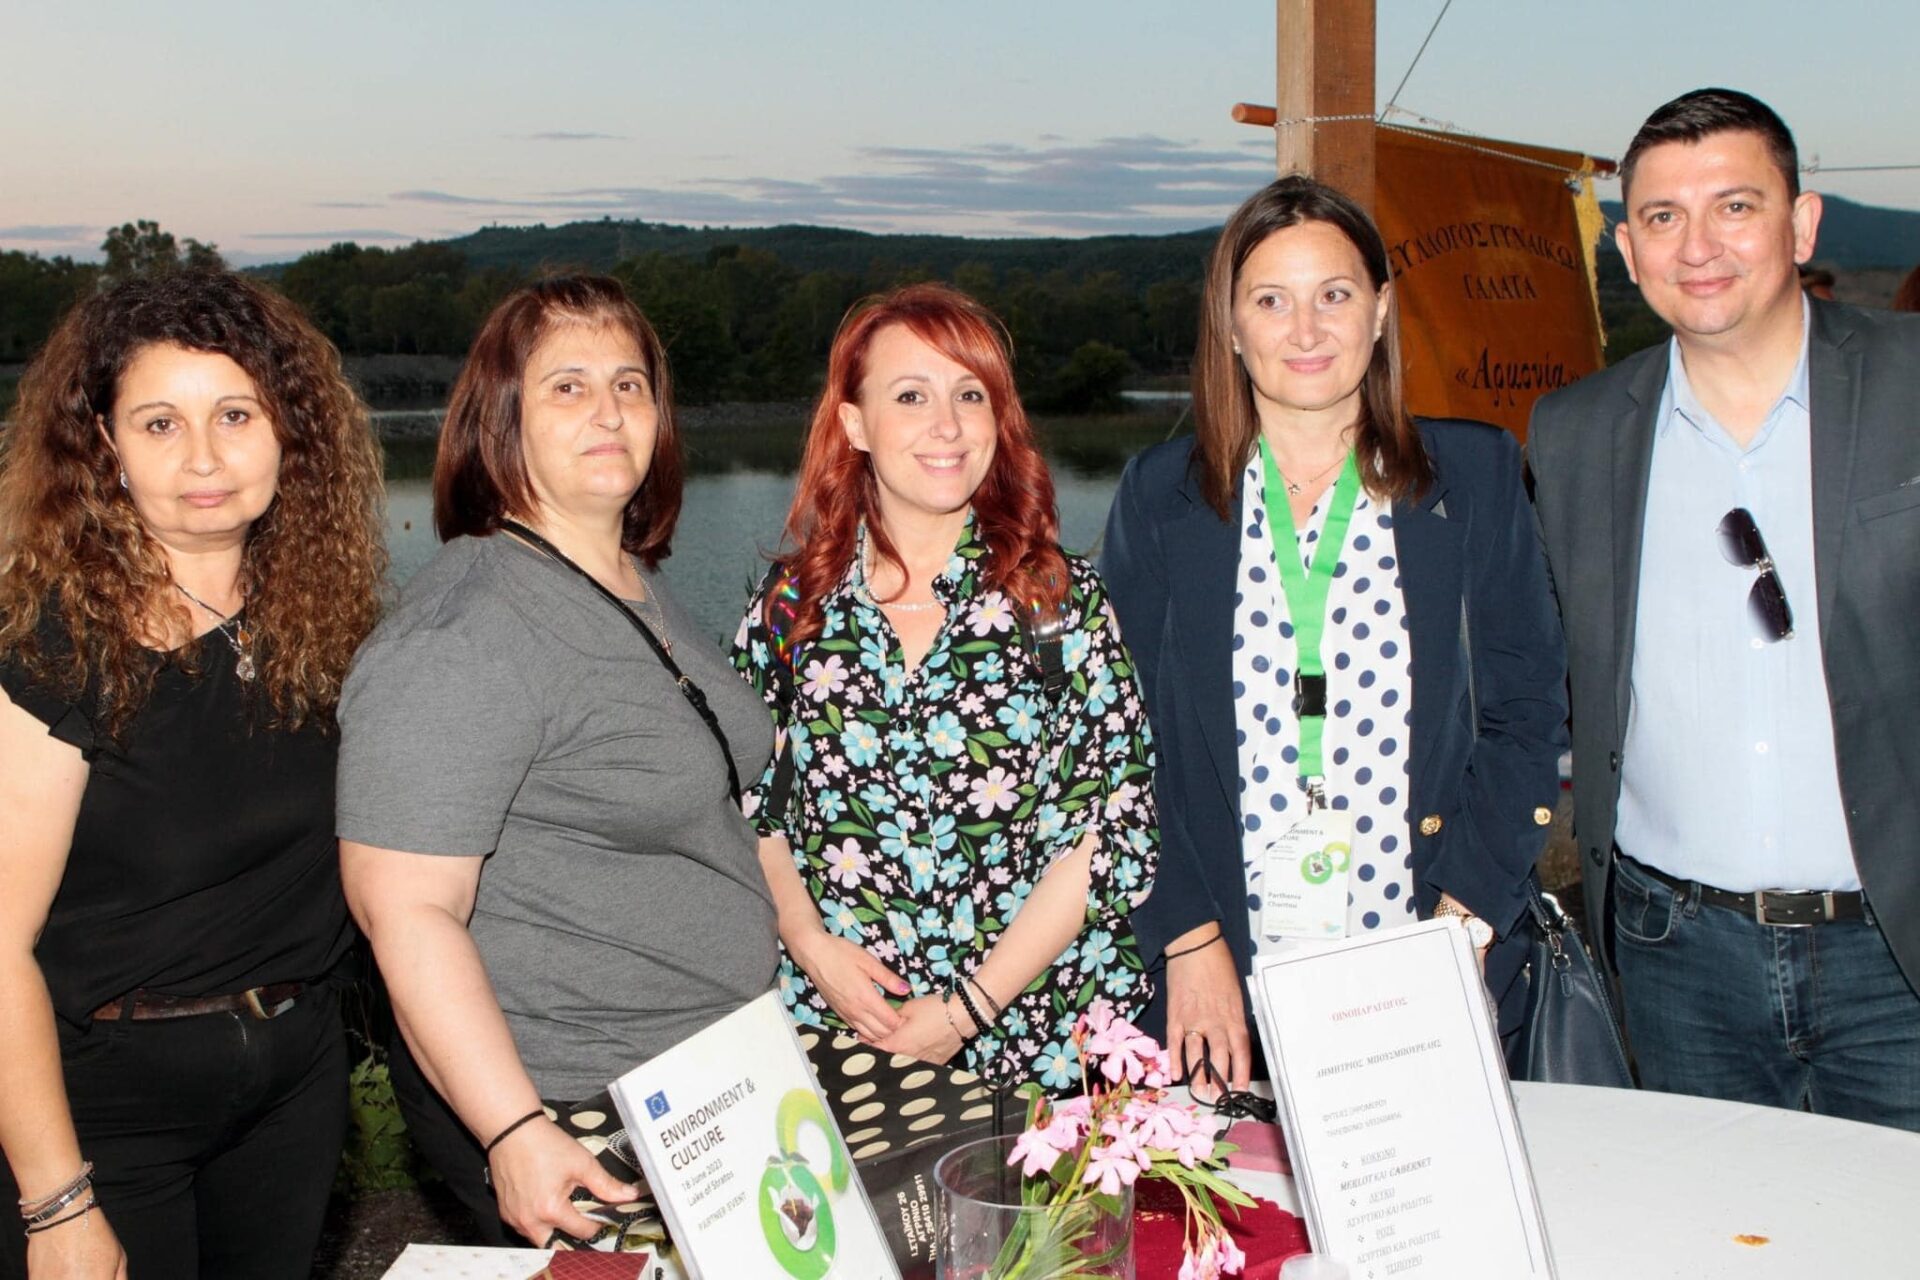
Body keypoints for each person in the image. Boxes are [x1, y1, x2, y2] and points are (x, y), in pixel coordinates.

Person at [1100, 176, 1568, 1095]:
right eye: (1271, 301)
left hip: (1427, 956)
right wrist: (1185, 937)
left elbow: (1526, 713)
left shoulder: (1475, 475)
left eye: (1335, 295)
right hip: (1221, 978)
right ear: (1231, 326)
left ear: (1381, 311)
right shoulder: (1159, 495)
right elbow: (1116, 739)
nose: (1306, 330)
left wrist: (1463, 925)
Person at [337, 275, 778, 1249]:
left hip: (708, 1075)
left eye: (630, 384)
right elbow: (404, 908)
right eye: (567, 386)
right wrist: (512, 1129)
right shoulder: (463, 635)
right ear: (501, 418)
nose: (608, 411)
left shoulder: (627, 581)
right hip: (579, 1103)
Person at [1530, 88, 1920, 1129]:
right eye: (1663, 216)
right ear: (1627, 248)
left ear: (1802, 224)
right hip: (1675, 957)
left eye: (1735, 206)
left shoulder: (1910, 384)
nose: (1698, 245)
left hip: (1897, 953)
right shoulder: (1573, 433)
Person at [0, 269, 387, 1278]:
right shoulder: (54, 652)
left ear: (290, 431)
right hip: (105, 1111)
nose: (204, 457)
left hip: (295, 1083)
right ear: (105, 447)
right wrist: (55, 1201)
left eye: (235, 414)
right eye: (161, 423)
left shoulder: (325, 626)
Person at [731, 283, 1159, 1097]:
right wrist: (810, 946)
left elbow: (1108, 830)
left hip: (1033, 1043)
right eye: (910, 396)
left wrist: (968, 1009)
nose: (948, 426)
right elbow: (751, 806)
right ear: (854, 423)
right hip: (840, 1031)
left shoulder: (1056, 603)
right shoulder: (792, 609)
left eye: (970, 395)